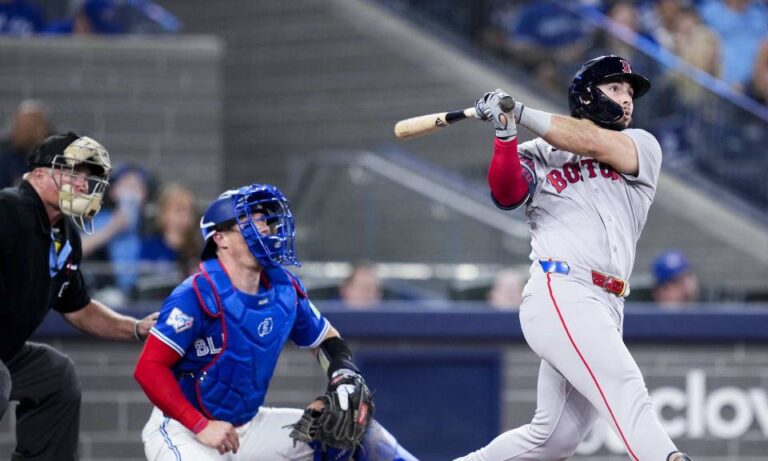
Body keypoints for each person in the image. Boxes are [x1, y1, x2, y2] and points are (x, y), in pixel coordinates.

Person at [454, 56, 692, 461]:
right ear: (585, 95)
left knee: (553, 440)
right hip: (562, 288)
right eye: (615, 88)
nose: (627, 99)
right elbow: (506, 194)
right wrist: (505, 134)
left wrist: (519, 111)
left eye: (630, 92)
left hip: (609, 303)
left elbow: (590, 142)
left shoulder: (642, 145)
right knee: (625, 388)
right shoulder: (538, 152)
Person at [134, 184, 416, 460]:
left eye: (265, 221)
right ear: (221, 238)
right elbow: (148, 368)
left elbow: (325, 338)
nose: (265, 228)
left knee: (358, 436)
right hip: (183, 427)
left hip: (246, 426)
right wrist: (199, 425)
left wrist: (342, 374)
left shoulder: (283, 289)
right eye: (251, 222)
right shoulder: (194, 294)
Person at [0, 132, 158, 461]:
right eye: (74, 173)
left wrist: (134, 327)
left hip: (5, 351)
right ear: (39, 174)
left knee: (54, 375)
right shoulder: (8, 209)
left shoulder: (65, 236)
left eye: (87, 177)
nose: (83, 184)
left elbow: (79, 309)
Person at [0, 99, 52, 189]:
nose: (28, 130)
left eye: (33, 124)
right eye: (22, 125)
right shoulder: (7, 160)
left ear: (44, 127)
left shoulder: (57, 159)